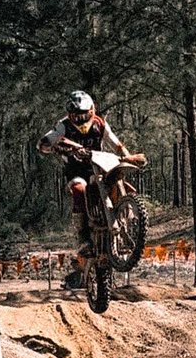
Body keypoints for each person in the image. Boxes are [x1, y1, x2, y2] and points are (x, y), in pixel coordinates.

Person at [38, 90, 137, 254]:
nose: (81, 119)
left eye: (84, 114)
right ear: (70, 114)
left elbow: (116, 144)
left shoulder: (100, 124)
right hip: (76, 171)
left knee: (118, 180)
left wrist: (128, 157)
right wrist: (49, 145)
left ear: (91, 110)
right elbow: (47, 140)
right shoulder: (63, 126)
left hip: (99, 166)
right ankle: (82, 236)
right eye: (76, 115)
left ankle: (129, 218)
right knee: (79, 189)